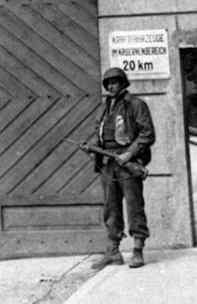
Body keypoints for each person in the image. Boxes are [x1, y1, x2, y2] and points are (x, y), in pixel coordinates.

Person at [86, 66, 155, 269]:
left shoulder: (136, 104)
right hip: (107, 164)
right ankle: (113, 251)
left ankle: (137, 250)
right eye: (108, 83)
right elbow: (99, 130)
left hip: (128, 163)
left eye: (115, 82)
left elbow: (147, 134)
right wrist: (92, 145)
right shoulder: (105, 106)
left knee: (134, 207)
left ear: (123, 84)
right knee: (111, 208)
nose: (111, 86)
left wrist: (129, 153)